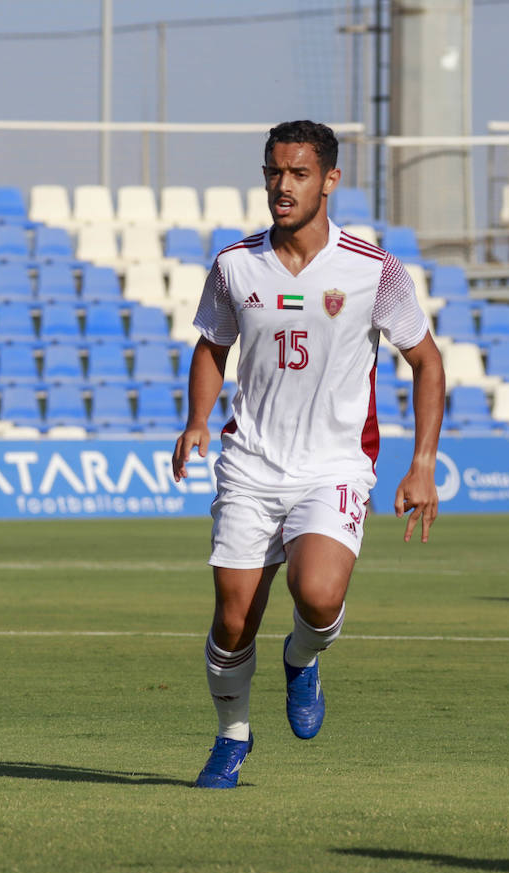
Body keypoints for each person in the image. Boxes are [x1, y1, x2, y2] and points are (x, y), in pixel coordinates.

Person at [172, 120, 444, 788]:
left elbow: (426, 361)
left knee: (317, 596)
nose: (281, 185)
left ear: (330, 181)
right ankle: (232, 738)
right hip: (251, 463)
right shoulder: (235, 263)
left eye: (297, 173)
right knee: (233, 619)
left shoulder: (371, 268)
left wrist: (422, 463)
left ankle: (302, 657)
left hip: (335, 464)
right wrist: (197, 420)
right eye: (272, 171)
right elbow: (213, 345)